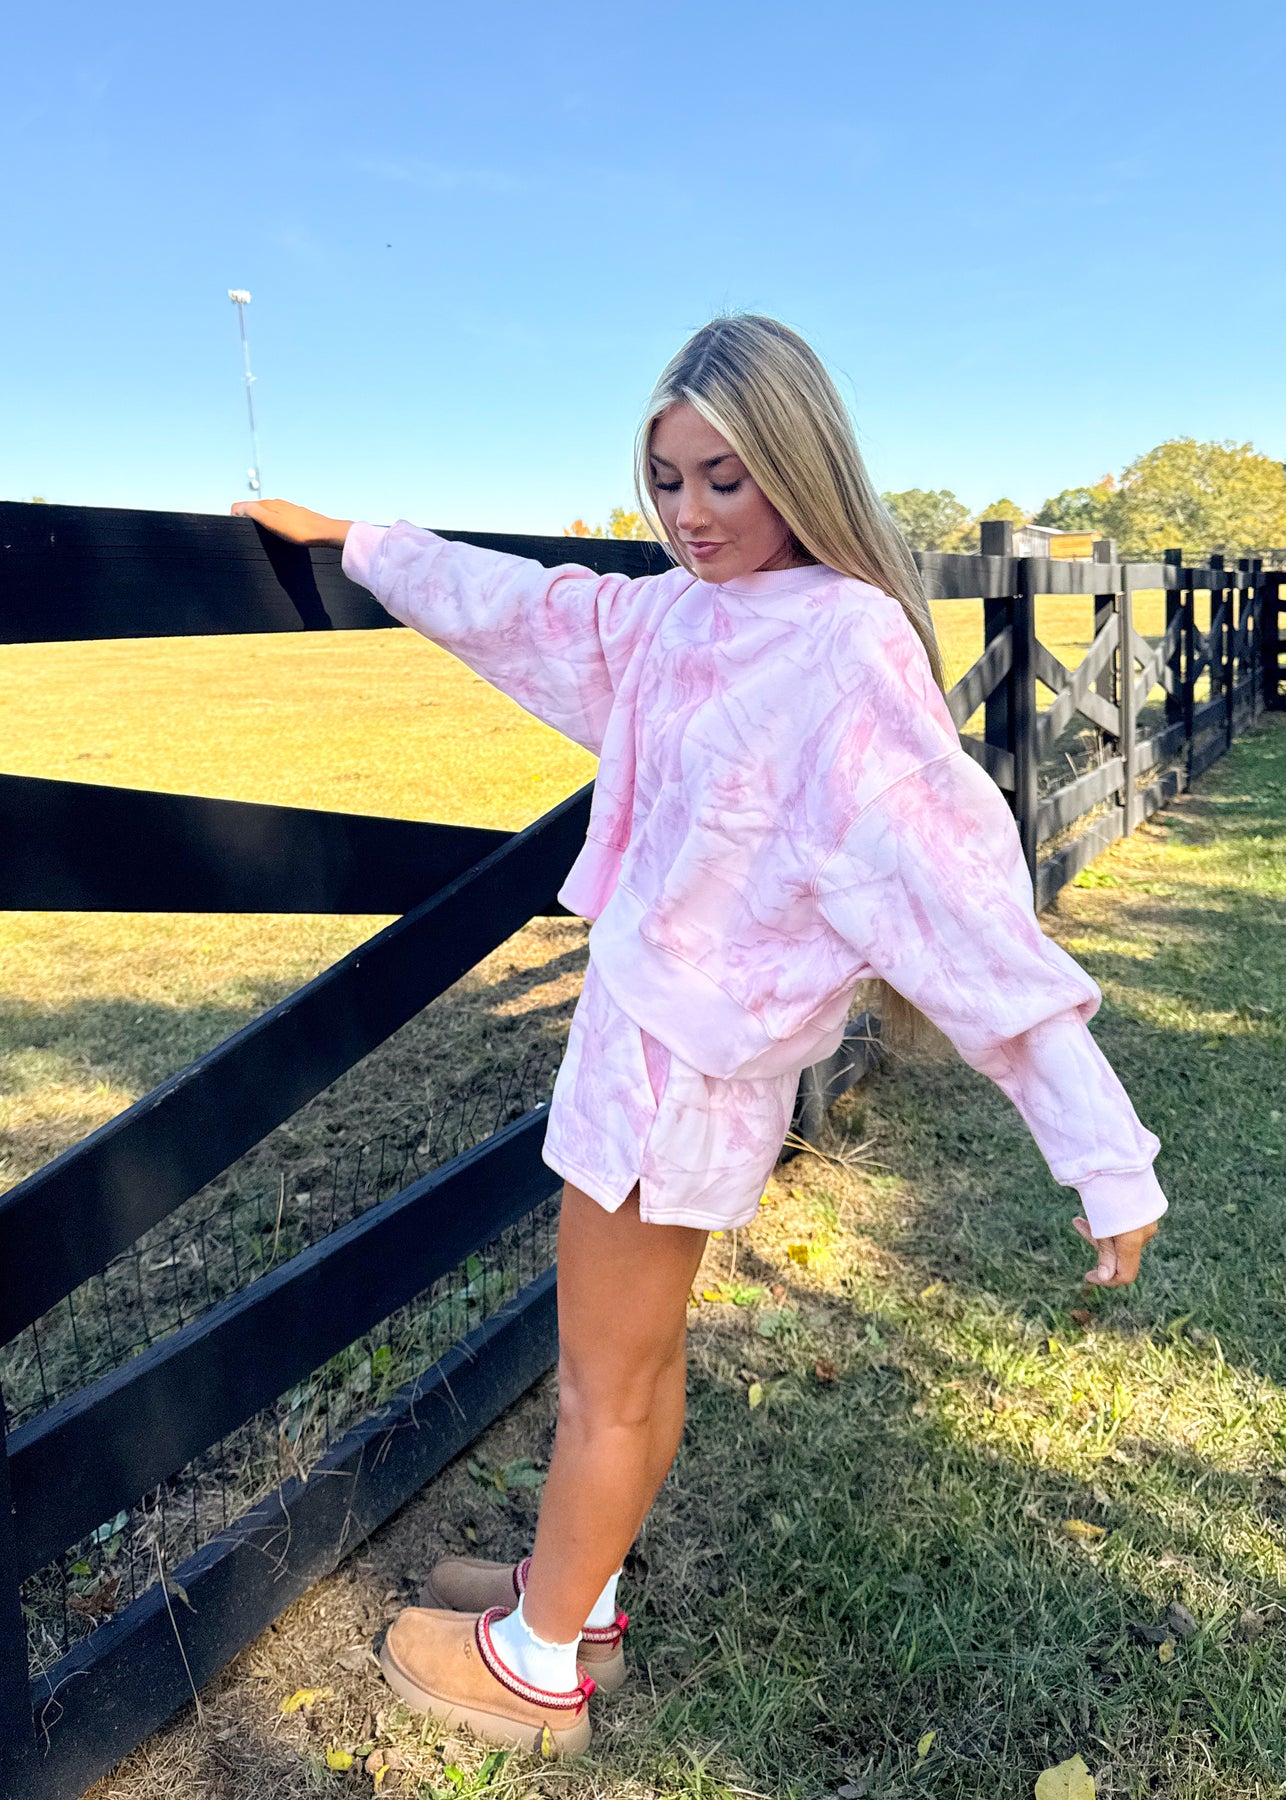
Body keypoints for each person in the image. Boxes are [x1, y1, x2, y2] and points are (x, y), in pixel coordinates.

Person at [232, 313, 1167, 1758]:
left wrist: (1103, 1153)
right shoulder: (682, 616)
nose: (690, 513)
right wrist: (360, 540)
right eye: (667, 481)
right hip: (651, 1044)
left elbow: (958, 898)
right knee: (635, 1356)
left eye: (726, 478)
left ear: (799, 463)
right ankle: (578, 1594)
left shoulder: (840, 644)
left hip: (682, 1068)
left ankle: (534, 1664)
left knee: (604, 1378)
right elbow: (535, 607)